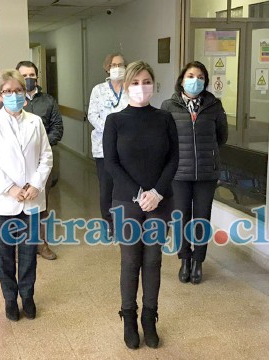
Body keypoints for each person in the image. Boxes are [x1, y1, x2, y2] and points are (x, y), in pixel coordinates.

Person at [104, 61, 178, 349]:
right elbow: (111, 163)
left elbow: (174, 158)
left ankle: (150, 316)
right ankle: (129, 317)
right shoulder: (115, 121)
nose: (141, 87)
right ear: (126, 85)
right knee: (131, 260)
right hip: (127, 201)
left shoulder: (164, 119)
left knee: (153, 260)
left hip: (160, 201)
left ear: (154, 85)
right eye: (135, 82)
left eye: (146, 81)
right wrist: (138, 194)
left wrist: (157, 193)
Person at [0, 69, 53, 321]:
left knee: (29, 253)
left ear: (25, 93)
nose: (13, 95)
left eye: (18, 91)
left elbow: (46, 157)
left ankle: (28, 296)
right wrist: (10, 188)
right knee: (6, 255)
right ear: (0, 94)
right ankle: (10, 299)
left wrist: (36, 184)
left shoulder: (36, 121)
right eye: (7, 91)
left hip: (31, 200)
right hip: (4, 202)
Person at [161, 62, 228, 284]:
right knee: (180, 218)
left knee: (201, 218)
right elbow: (164, 139)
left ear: (205, 81)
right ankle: (185, 260)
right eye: (191, 75)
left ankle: (198, 261)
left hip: (206, 174)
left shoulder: (214, 106)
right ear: (182, 79)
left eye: (200, 76)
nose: (195, 80)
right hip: (179, 173)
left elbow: (222, 137)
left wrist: (207, 153)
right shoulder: (169, 106)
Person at [16, 60, 63, 260]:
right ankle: (20, 246)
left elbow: (57, 128)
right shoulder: (11, 101)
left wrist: (39, 145)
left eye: (31, 75)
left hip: (42, 161)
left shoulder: (49, 101)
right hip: (17, 163)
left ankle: (42, 245)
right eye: (24, 76)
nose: (28, 79)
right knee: (19, 204)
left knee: (41, 204)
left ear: (37, 76)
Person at [88, 53, 129, 240]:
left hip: (127, 147)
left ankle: (124, 222)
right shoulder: (98, 90)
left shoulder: (130, 88)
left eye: (121, 64)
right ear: (107, 67)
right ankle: (109, 223)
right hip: (103, 147)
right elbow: (92, 115)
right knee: (106, 188)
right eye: (114, 64)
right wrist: (111, 131)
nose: (117, 67)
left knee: (125, 186)